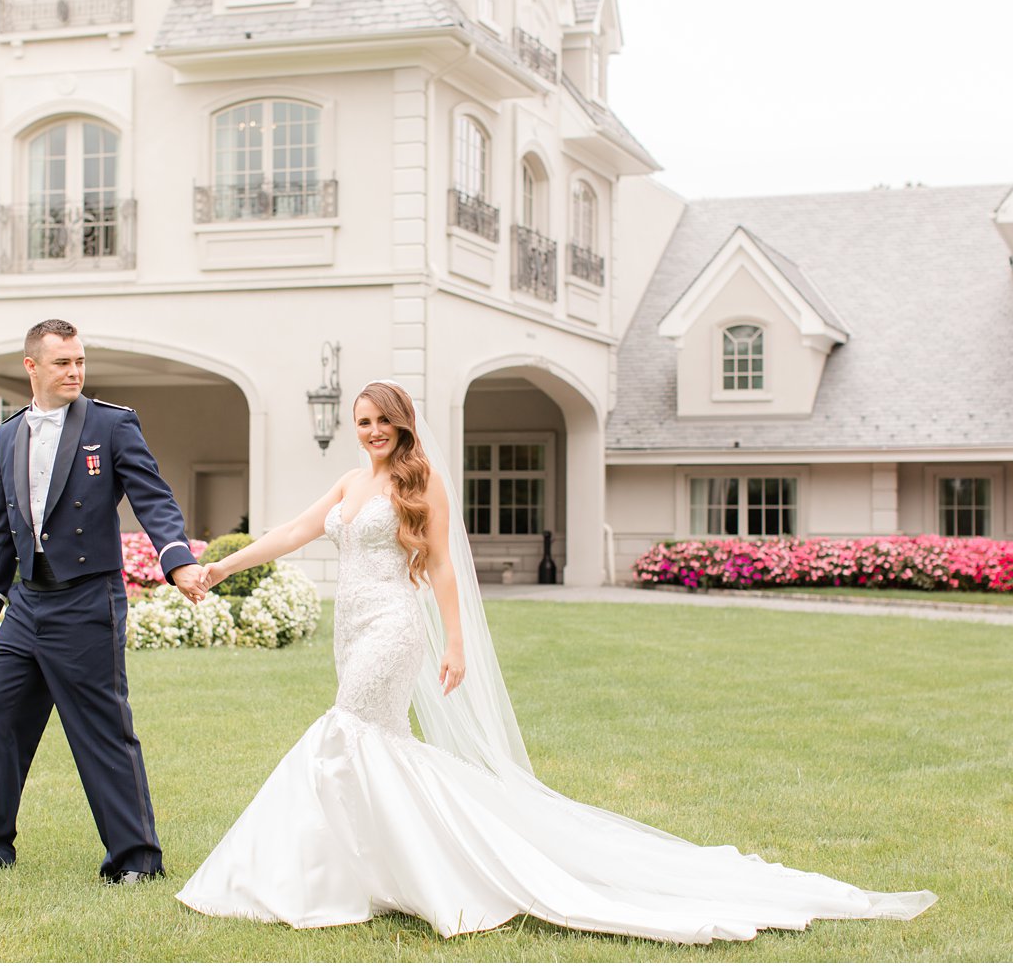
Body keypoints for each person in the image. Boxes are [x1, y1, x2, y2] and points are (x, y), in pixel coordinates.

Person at [176, 380, 937, 942]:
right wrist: (222, 565)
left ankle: (323, 872)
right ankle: (382, 866)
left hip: (395, 628)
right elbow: (292, 532)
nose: (372, 431)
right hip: (351, 626)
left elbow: (443, 569)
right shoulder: (349, 482)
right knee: (377, 746)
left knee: (347, 734)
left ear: (404, 424)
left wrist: (456, 641)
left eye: (383, 421)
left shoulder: (423, 482)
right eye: (363, 422)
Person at [0, 319, 206, 884]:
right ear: (32, 367)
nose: (74, 372)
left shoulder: (112, 425)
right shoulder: (8, 435)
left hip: (87, 601)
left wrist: (178, 559)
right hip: (26, 605)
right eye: (61, 363)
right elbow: (1, 529)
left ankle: (137, 862)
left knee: (100, 730)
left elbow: (154, 498)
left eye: (79, 362)